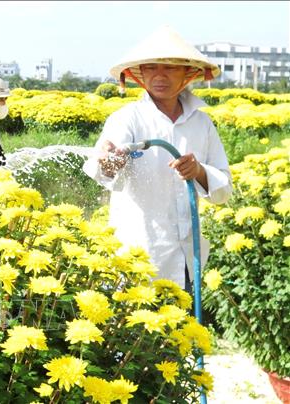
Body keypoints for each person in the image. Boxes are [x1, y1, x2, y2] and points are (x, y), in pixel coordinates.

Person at [82, 26, 233, 291]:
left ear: (188, 73)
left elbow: (223, 191)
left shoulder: (202, 123)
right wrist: (109, 162)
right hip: (139, 255)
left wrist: (198, 171)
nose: (159, 76)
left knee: (182, 329)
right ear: (140, 75)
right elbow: (104, 167)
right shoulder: (126, 118)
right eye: (151, 68)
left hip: (187, 258)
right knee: (136, 329)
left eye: (170, 68)